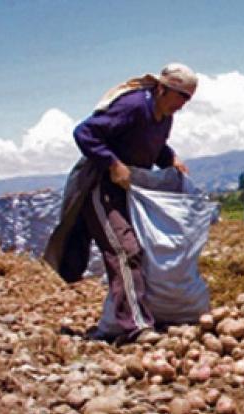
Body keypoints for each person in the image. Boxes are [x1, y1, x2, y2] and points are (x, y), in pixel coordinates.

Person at [44, 63, 198, 345]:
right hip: (99, 184)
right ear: (162, 89)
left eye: (188, 99)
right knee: (124, 250)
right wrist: (113, 163)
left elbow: (152, 145)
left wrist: (170, 158)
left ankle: (135, 314)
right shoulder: (132, 106)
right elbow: (85, 133)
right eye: (181, 97)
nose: (183, 105)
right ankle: (136, 326)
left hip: (128, 188)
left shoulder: (164, 117)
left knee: (145, 248)